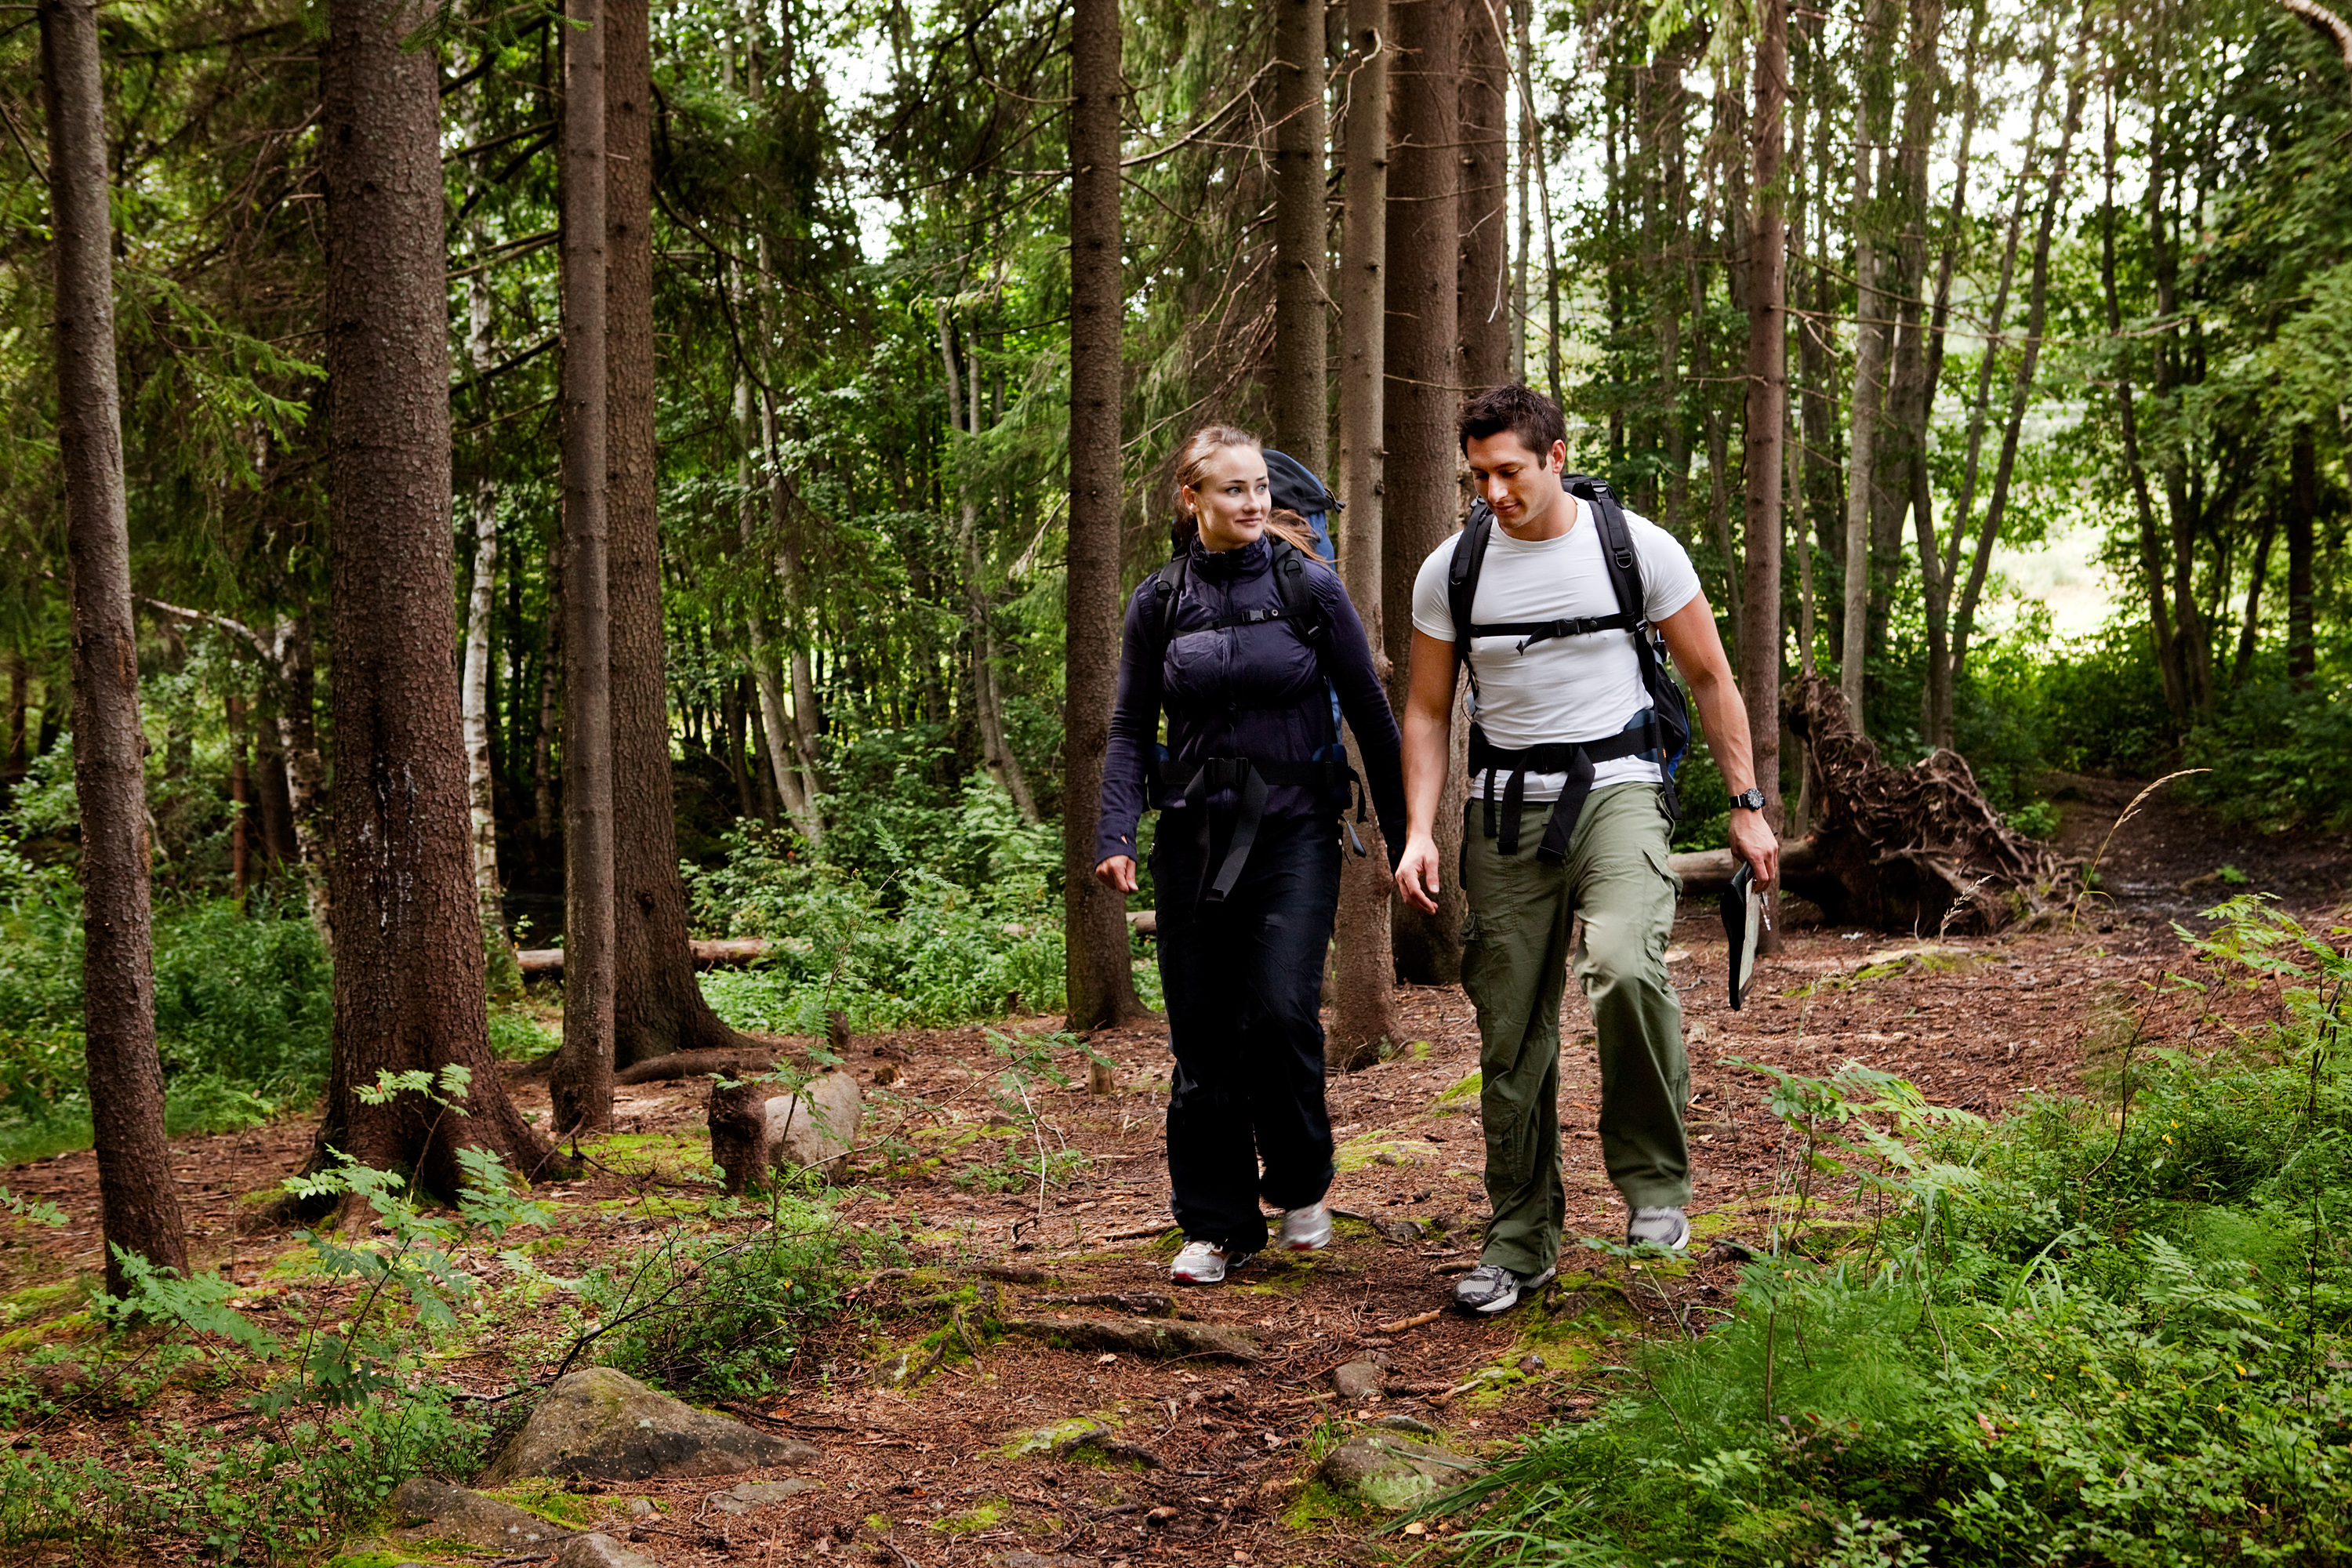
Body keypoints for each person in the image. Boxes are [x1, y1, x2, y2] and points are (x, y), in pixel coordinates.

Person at [1392, 384, 1779, 1315]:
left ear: (1557, 457)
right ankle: (1520, 1240)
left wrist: (1747, 804)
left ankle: (1654, 1187)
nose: (1492, 490)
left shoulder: (1637, 549)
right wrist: (1416, 830)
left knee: (1624, 966)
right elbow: (1430, 709)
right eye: (1477, 474)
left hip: (1619, 794)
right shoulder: (1452, 570)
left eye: (1509, 471)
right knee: (1509, 1024)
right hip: (1505, 813)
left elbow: (1711, 676)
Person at [1097, 424, 1408, 1287]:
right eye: (1233, 489)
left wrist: (1408, 832)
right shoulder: (1159, 601)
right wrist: (1115, 832)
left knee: (1278, 1011)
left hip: (1294, 831)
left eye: (1261, 485)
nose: (1255, 502)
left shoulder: (1309, 586)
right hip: (1193, 835)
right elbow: (1127, 729)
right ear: (1190, 498)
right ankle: (1216, 1222)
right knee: (1201, 1037)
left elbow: (1372, 718)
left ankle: (1303, 1181)